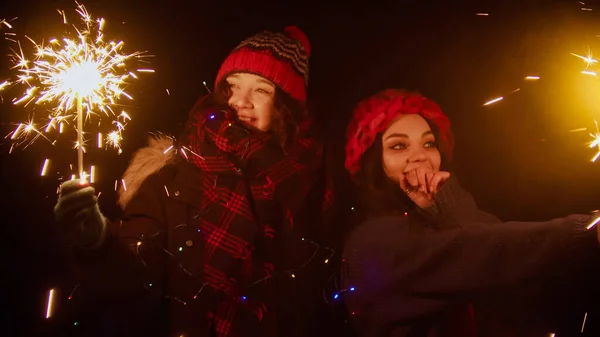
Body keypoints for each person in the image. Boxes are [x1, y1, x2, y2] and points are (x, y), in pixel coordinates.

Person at [53, 26, 339, 337]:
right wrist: (97, 241)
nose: (240, 101)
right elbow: (134, 279)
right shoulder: (174, 172)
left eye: (261, 89)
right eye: (232, 86)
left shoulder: (312, 183)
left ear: (287, 105)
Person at [340, 88, 600, 337]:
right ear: (374, 161)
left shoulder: (432, 223)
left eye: (429, 143)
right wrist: (584, 230)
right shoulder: (373, 242)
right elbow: (487, 252)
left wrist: (436, 206)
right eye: (398, 146)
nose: (420, 156)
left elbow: (498, 253)